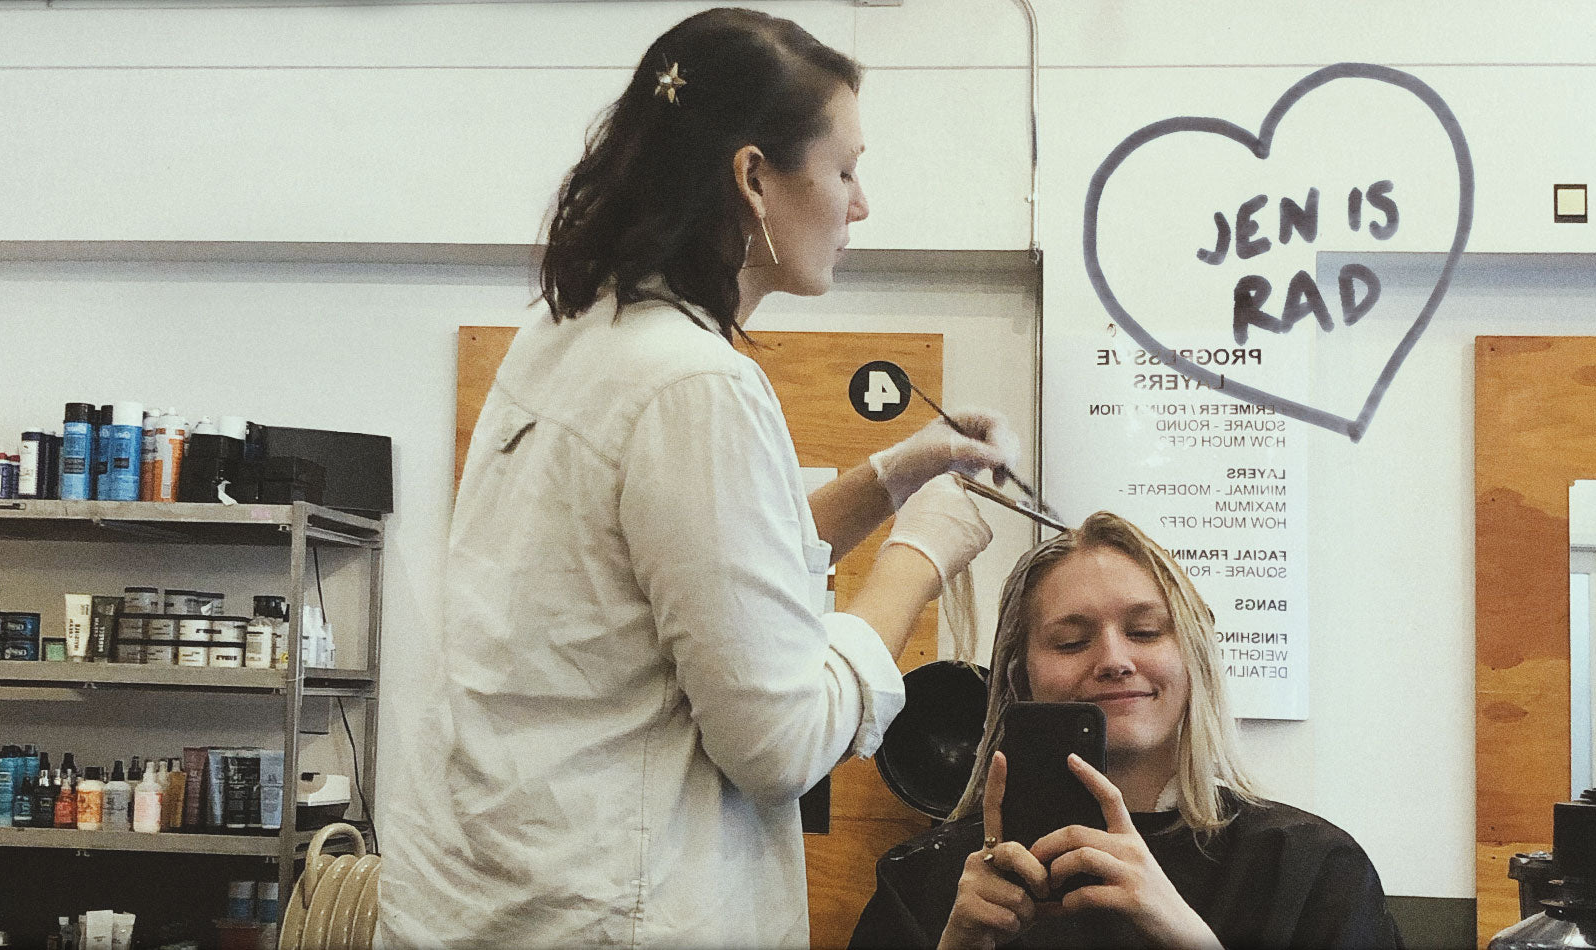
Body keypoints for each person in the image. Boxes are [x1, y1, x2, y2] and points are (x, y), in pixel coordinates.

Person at [376, 9, 1016, 948]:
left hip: (489, 900)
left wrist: (896, 474)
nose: (861, 203)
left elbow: (699, 569)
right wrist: (917, 559)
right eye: (844, 171)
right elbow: (780, 745)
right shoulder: (696, 384)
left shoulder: (571, 337)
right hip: (607, 914)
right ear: (754, 177)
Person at [849, 512, 1404, 950]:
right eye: (1070, 641)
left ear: (1194, 661)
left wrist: (1183, 934)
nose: (1114, 659)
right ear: (1022, 676)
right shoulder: (927, 882)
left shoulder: (1309, 870)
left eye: (1144, 631)